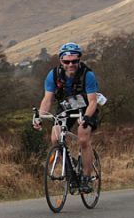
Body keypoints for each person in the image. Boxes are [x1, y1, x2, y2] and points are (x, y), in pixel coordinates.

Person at [33, 42, 100, 192]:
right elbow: (47, 99)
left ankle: (86, 178)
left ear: (79, 60)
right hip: (67, 107)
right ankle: (69, 169)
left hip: (86, 108)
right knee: (55, 138)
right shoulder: (54, 75)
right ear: (61, 61)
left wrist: (87, 118)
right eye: (67, 61)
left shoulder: (87, 75)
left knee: (83, 138)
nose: (71, 64)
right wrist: (40, 117)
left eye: (74, 61)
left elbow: (93, 101)